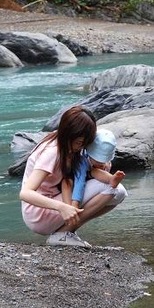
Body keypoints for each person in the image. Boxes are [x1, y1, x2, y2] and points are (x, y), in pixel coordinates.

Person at [19, 106, 128, 248]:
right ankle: (62, 234)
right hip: (39, 213)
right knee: (110, 187)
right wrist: (61, 207)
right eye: (79, 143)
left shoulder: (70, 148)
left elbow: (76, 177)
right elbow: (25, 193)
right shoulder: (52, 153)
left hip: (58, 200)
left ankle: (67, 231)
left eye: (85, 143)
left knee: (119, 193)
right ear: (68, 134)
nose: (81, 147)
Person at [61, 128, 126, 210]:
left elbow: (101, 171)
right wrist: (76, 201)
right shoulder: (82, 159)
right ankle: (69, 207)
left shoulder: (104, 164)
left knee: (96, 171)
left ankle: (111, 179)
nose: (101, 163)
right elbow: (79, 180)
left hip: (89, 176)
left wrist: (104, 169)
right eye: (97, 160)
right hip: (73, 179)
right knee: (67, 182)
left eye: (103, 161)